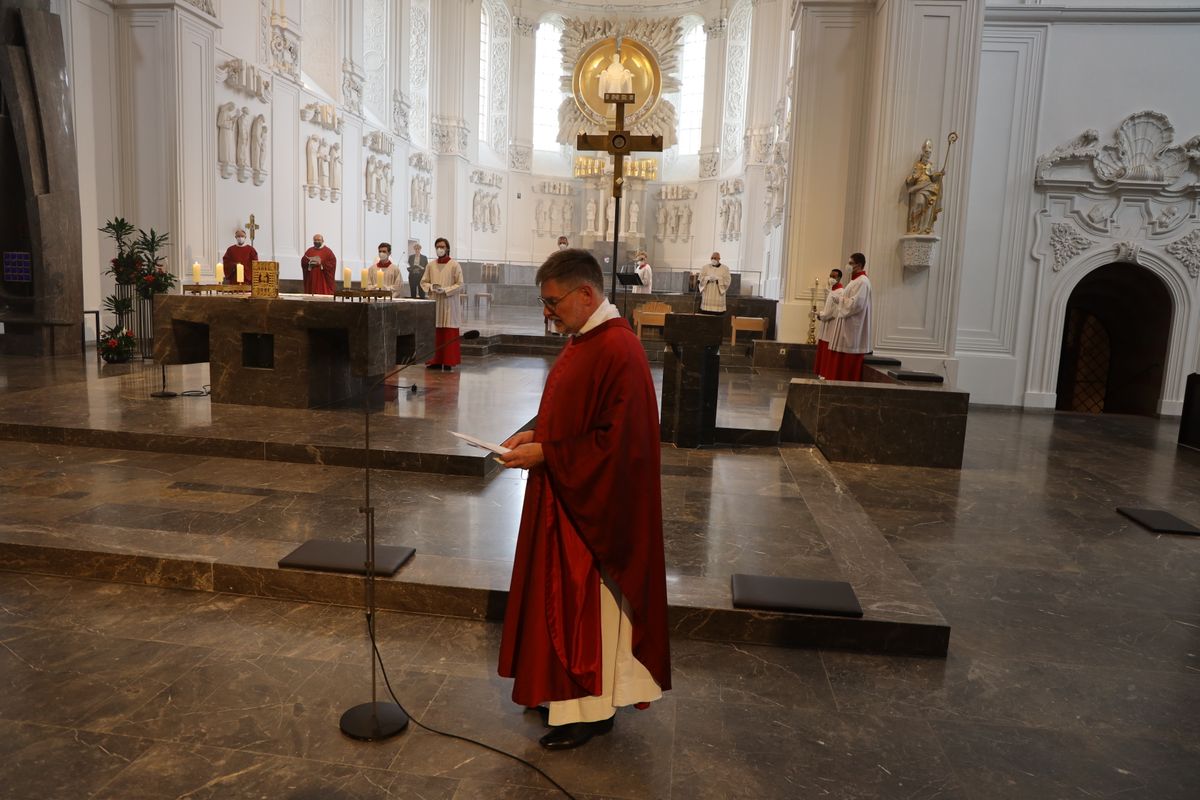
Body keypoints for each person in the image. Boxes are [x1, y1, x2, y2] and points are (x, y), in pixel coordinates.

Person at [498, 248, 670, 751]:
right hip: (566, 494)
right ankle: (560, 694)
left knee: (586, 610)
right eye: (543, 302)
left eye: (553, 302)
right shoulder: (586, 339)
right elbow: (570, 411)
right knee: (559, 601)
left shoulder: (619, 349)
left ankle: (588, 709)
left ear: (586, 294)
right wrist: (530, 433)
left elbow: (619, 444)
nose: (547, 312)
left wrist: (548, 453)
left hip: (593, 512)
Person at [820, 253, 872, 381]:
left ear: (859, 265)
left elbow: (857, 304)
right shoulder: (855, 280)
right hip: (846, 322)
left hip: (853, 326)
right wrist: (841, 300)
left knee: (847, 355)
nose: (848, 266)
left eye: (850, 263)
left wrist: (840, 300)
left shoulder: (863, 282)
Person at [420, 237, 465, 370]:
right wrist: (432, 287)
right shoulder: (430, 265)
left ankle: (448, 361)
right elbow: (424, 282)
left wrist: (445, 290)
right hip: (435, 302)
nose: (440, 249)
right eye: (438, 247)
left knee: (448, 330)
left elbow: (460, 284)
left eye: (442, 247)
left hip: (449, 303)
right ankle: (435, 361)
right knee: (435, 331)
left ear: (447, 248)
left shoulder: (454, 265)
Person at [813, 268, 844, 376]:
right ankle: (821, 372)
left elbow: (832, 312)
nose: (831, 278)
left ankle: (825, 374)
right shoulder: (832, 291)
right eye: (830, 276)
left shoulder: (840, 292)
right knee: (822, 349)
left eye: (834, 276)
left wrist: (821, 315)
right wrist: (821, 314)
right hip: (825, 325)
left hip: (831, 325)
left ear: (839, 278)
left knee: (827, 351)